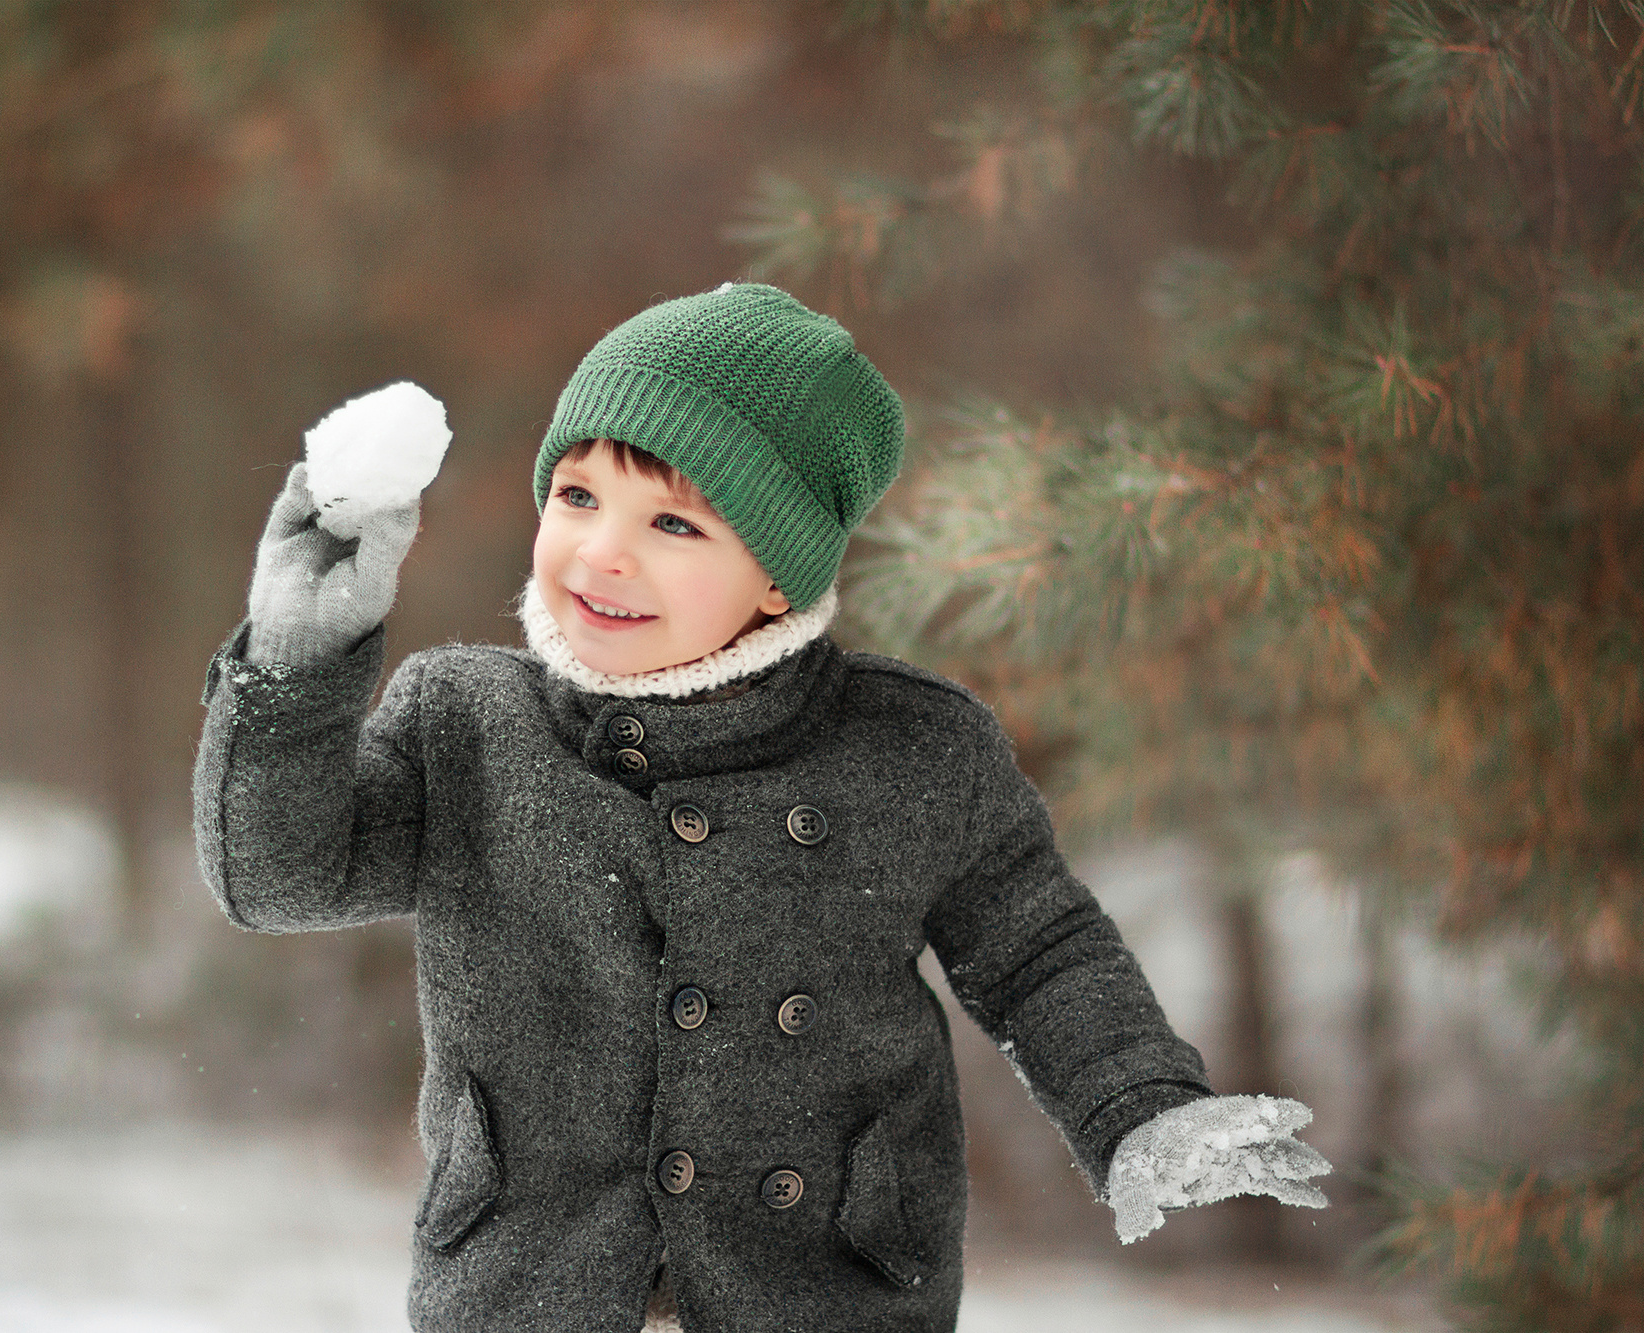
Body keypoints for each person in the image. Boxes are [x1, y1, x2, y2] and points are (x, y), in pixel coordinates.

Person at [192, 283, 1330, 1333]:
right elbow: (278, 878)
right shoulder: (463, 723)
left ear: (779, 572)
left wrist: (1139, 1104)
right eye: (578, 494)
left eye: (672, 524)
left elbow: (1040, 950)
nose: (600, 552)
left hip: (822, 1284)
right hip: (527, 1285)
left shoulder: (910, 749)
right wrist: (299, 657)